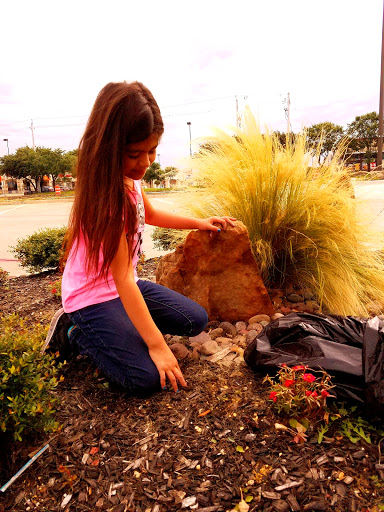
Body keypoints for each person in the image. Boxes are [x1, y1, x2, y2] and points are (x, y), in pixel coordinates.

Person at [43, 81, 235, 396]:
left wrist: (200, 223)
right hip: (91, 298)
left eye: (152, 151)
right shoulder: (107, 200)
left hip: (123, 288)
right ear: (108, 148)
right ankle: (75, 331)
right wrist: (158, 347)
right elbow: (121, 279)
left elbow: (152, 215)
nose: (145, 162)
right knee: (144, 379)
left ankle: (123, 328)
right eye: (134, 153)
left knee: (195, 320)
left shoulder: (130, 180)